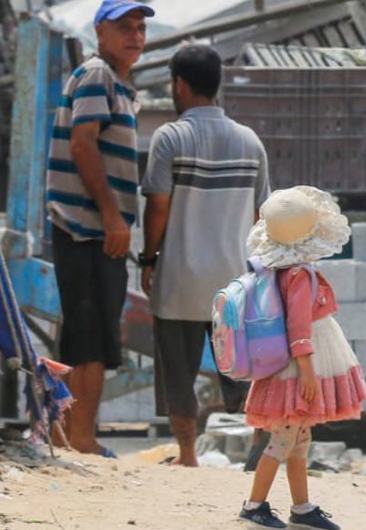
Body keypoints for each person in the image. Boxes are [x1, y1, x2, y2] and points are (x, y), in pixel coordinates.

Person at [139, 44, 271, 467]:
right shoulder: (250, 141)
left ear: (179, 84)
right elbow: (259, 215)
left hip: (180, 279)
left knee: (177, 370)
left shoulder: (171, 137)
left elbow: (157, 206)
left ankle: (187, 454)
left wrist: (148, 258)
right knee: (245, 367)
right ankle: (261, 446)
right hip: (235, 282)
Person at [45, 0, 153, 458]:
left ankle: (79, 434)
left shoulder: (119, 86)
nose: (135, 36)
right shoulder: (97, 76)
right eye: (124, 28)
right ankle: (75, 437)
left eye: (139, 28)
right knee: (87, 338)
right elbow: (83, 144)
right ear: (100, 33)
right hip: (86, 227)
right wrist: (111, 216)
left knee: (96, 336)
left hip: (97, 230)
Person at [235, 186, 366, 529]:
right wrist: (308, 371)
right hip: (298, 366)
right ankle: (254, 506)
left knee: (298, 441)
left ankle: (302, 507)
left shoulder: (275, 270)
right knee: (283, 440)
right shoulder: (299, 275)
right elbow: (298, 326)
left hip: (282, 363)